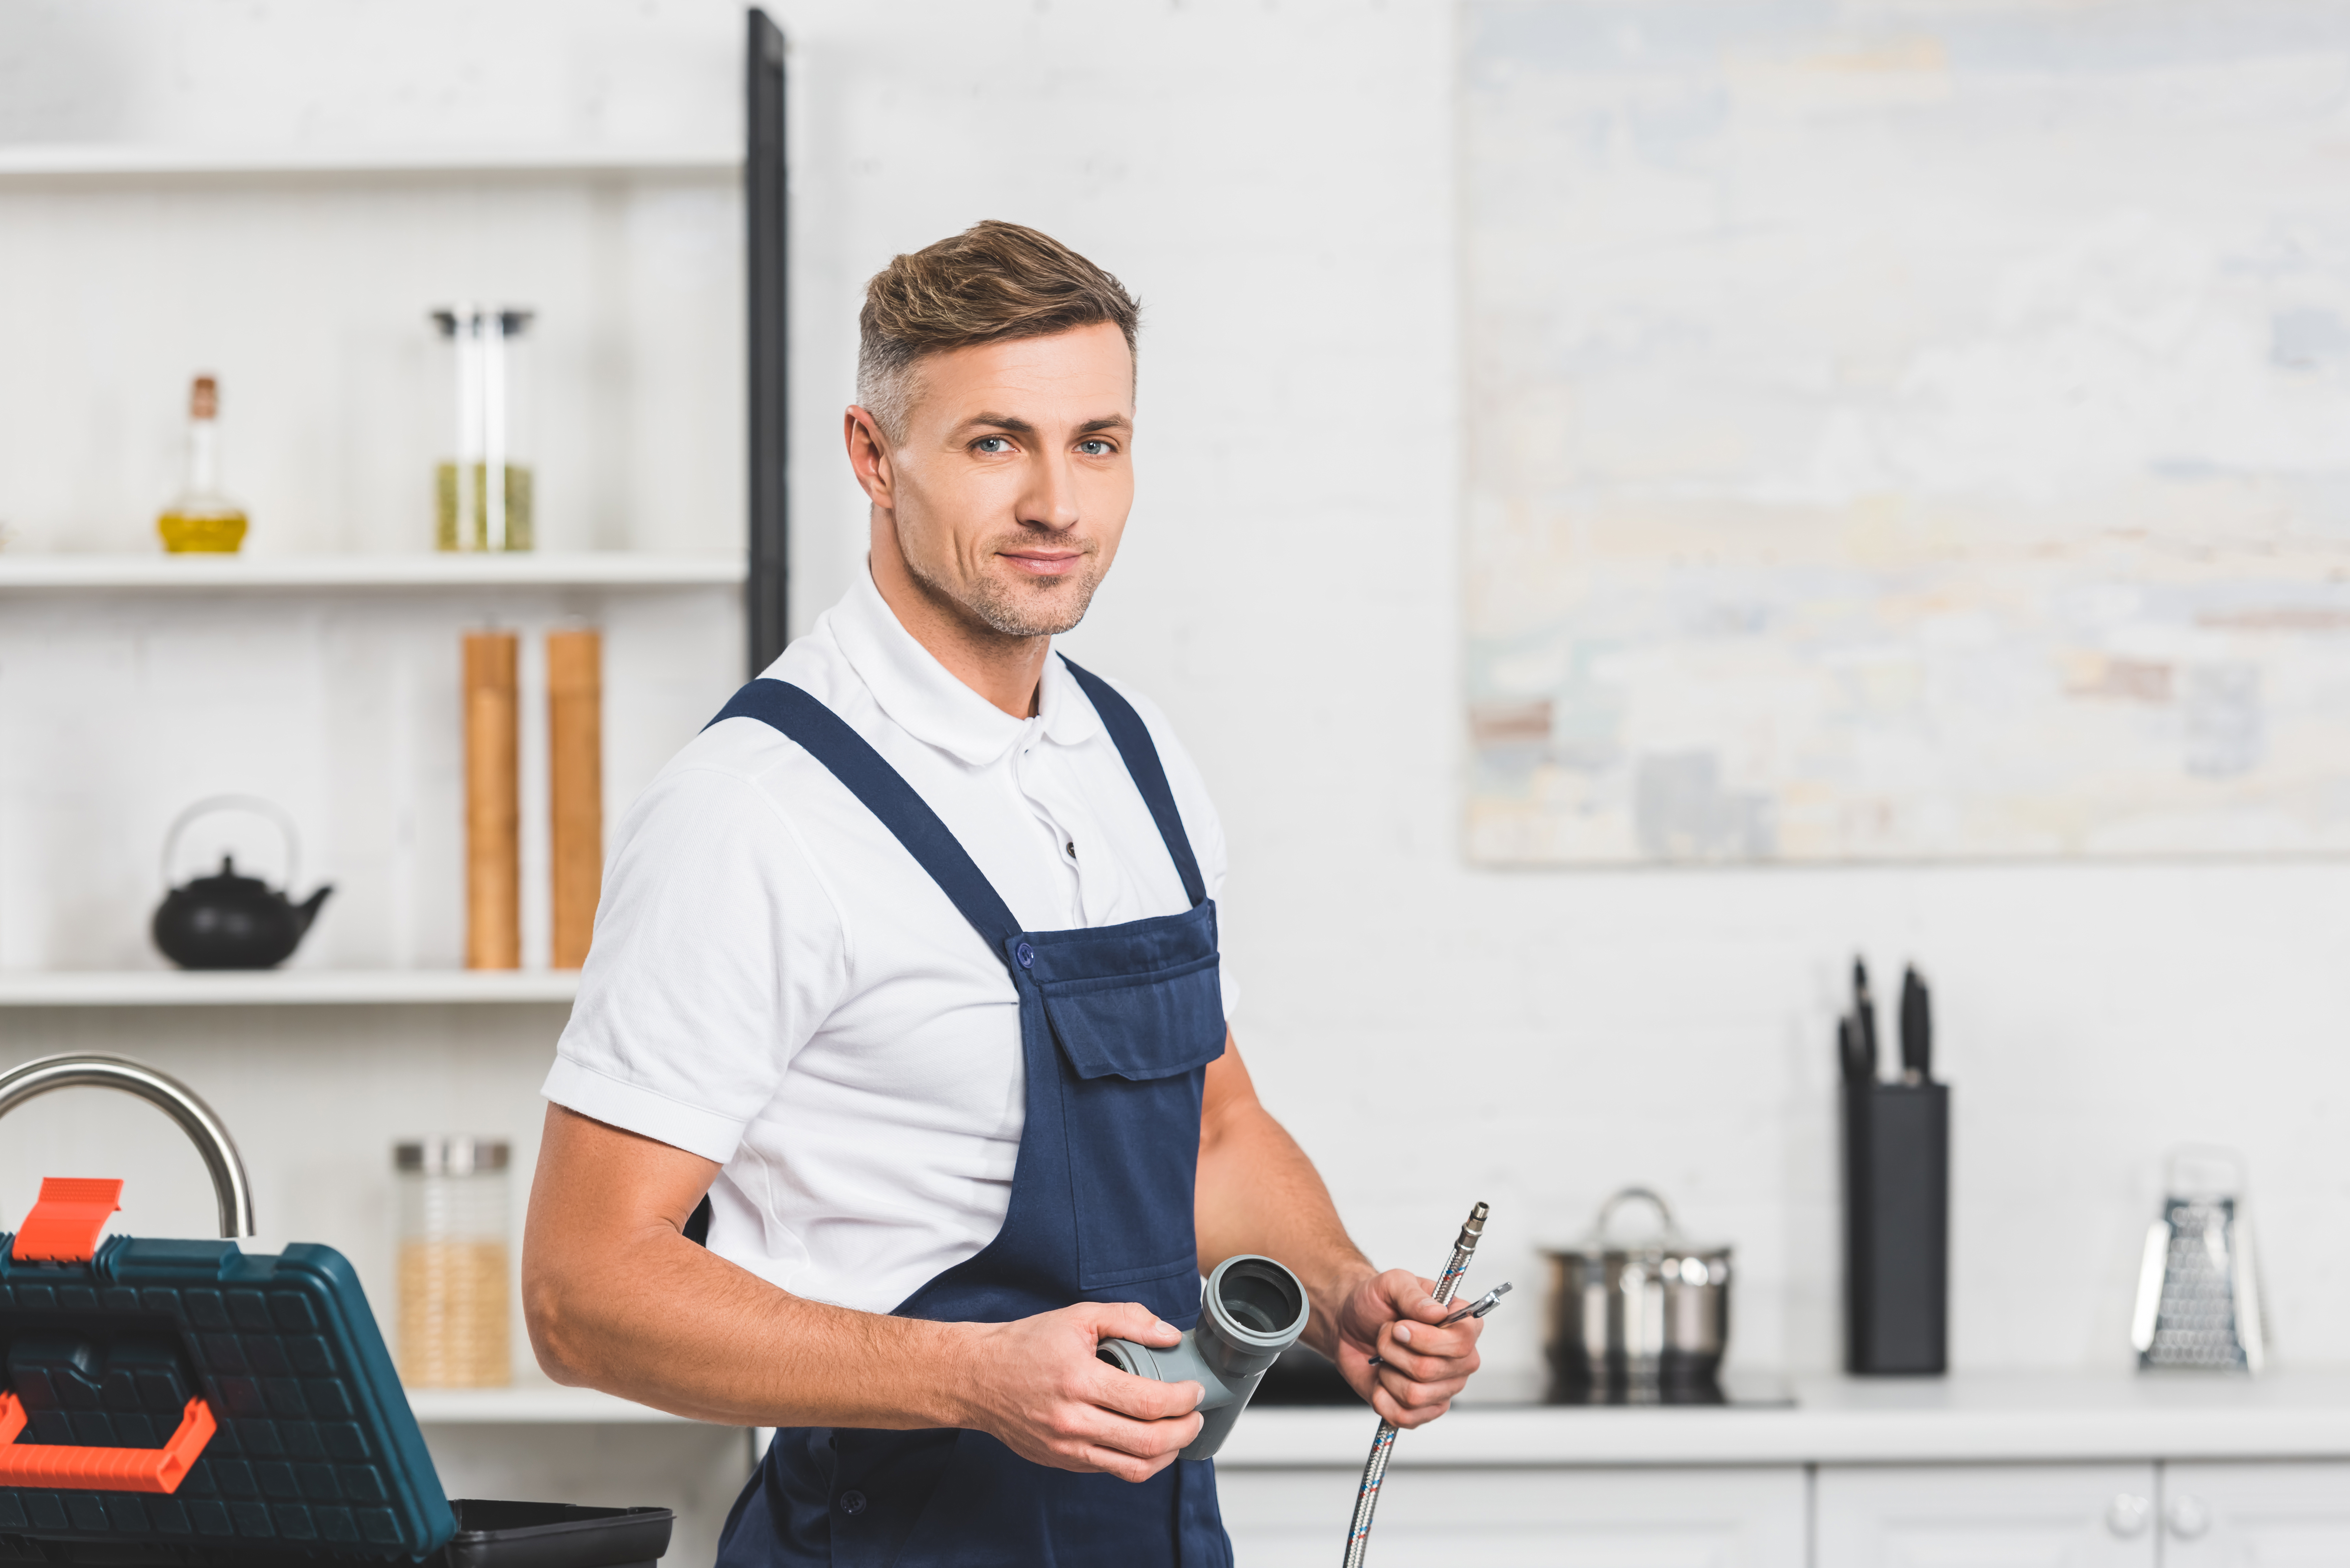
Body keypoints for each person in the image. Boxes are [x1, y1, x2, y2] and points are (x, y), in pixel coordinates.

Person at [521, 220, 1483, 1566]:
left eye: (1097, 442)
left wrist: (1340, 1293)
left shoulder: (1137, 765)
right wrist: (969, 1376)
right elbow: (581, 1291)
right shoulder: (755, 809)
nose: (1058, 505)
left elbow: (1213, 1131)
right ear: (873, 455)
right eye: (995, 443)